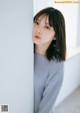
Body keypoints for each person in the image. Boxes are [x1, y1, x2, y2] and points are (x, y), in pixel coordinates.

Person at [32, 7, 66, 113]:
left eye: (46, 27)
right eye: (36, 23)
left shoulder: (57, 65)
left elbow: (46, 107)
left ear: (55, 35)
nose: (38, 30)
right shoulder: (22, 52)